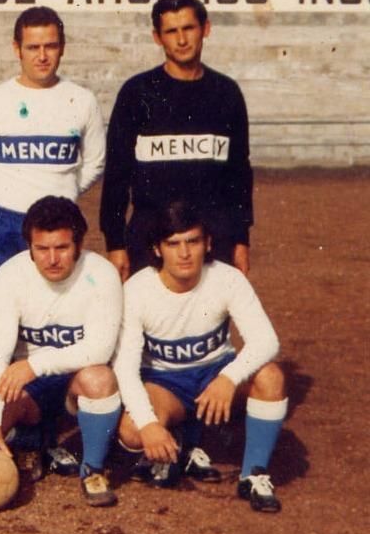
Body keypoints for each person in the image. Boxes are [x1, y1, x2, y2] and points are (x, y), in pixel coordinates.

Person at [114, 202, 286, 512]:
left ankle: (253, 474)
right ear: (156, 248)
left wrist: (228, 378)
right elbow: (125, 368)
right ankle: (181, 440)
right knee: (132, 432)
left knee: (271, 376)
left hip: (215, 374)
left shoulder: (227, 278)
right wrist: (151, 424)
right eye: (173, 244)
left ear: (207, 243)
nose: (184, 253)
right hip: (166, 384)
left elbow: (267, 340)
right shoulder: (137, 290)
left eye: (193, 241)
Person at [0, 196, 124, 507]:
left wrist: (36, 364)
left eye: (62, 248)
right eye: (42, 249)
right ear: (29, 248)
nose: (52, 259)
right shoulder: (8, 276)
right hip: (27, 387)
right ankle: (30, 441)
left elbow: (100, 349)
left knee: (100, 379)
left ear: (78, 244)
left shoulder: (99, 274)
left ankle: (92, 469)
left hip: (72, 381)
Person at [101, 0, 253, 280]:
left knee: (209, 321)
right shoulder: (137, 93)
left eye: (189, 28)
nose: (182, 40)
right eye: (171, 31)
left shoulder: (227, 93)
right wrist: (115, 243)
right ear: (158, 37)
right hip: (149, 236)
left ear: (205, 29)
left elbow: (239, 174)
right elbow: (117, 174)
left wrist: (241, 239)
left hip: (214, 235)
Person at [0, 6, 106, 286]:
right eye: (33, 47)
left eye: (51, 46)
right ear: (17, 48)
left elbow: (95, 161)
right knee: (0, 309)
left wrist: (65, 191)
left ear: (62, 48)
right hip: (3, 223)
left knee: (57, 307)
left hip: (59, 224)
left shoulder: (82, 100)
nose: (43, 56)